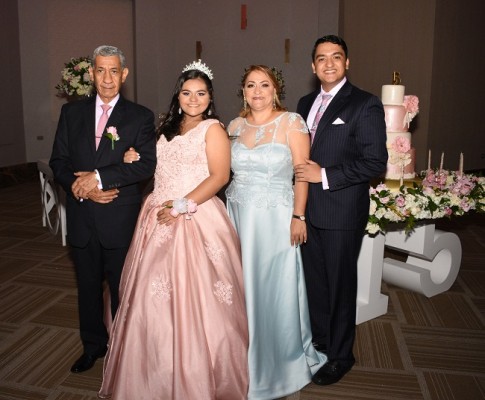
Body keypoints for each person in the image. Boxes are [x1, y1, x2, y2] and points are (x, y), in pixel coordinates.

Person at [98, 61, 249, 400]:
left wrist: (182, 205)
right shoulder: (166, 126)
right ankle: (152, 373)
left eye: (200, 93)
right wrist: (135, 154)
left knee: (198, 300)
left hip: (195, 215)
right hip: (155, 215)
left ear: (210, 98)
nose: (192, 99)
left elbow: (220, 176)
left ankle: (197, 375)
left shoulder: (213, 129)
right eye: (186, 92)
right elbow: (154, 165)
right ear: (177, 95)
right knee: (149, 299)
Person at [49, 45, 157, 373]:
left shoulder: (140, 116)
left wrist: (98, 179)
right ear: (91, 73)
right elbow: (59, 162)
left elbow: (145, 167)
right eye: (100, 70)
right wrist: (80, 189)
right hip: (82, 216)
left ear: (124, 75)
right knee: (87, 287)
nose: (107, 78)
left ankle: (127, 351)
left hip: (118, 218)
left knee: (125, 289)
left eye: (114, 71)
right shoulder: (72, 114)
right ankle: (93, 346)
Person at [226, 65, 326, 399]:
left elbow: (302, 173)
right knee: (240, 287)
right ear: (243, 91)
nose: (257, 91)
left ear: (275, 90)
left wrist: (299, 216)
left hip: (275, 220)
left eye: (264, 85)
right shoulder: (234, 126)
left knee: (273, 287)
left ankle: (279, 363)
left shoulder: (292, 122)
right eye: (250, 85)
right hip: (238, 217)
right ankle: (241, 359)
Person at [295, 35, 388, 385]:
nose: (329, 63)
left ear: (347, 63)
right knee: (315, 284)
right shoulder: (304, 103)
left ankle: (341, 355)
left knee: (340, 284)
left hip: (341, 211)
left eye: (336, 57)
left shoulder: (364, 103)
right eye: (321, 58)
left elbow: (375, 162)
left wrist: (325, 176)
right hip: (308, 210)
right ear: (313, 66)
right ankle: (320, 342)